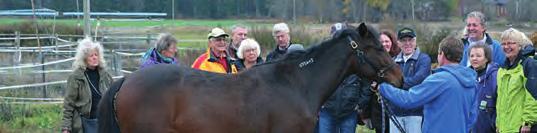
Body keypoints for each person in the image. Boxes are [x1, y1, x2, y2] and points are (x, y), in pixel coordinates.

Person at [378, 36, 477, 133]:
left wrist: (383, 87)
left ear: (441, 54)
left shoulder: (439, 80)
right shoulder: (472, 82)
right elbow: (472, 118)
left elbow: (409, 99)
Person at [316, 23, 372, 133]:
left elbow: (367, 83)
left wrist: (359, 104)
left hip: (349, 113)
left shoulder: (358, 59)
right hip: (327, 111)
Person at [62, 38, 113, 133]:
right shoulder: (76, 77)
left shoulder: (105, 75)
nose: (94, 57)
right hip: (84, 124)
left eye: (96, 55)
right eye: (91, 56)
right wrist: (66, 128)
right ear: (84, 58)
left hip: (104, 122)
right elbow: (68, 104)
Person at [388, 27, 431, 133]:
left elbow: (418, 80)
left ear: (415, 41)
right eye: (403, 40)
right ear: (398, 43)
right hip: (395, 113)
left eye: (410, 40)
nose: (407, 43)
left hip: (415, 113)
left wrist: (396, 84)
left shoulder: (424, 59)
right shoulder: (392, 62)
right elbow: (388, 81)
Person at [496, 28, 537, 133]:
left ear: (520, 45)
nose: (506, 47)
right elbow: (500, 100)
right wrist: (498, 123)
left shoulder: (528, 65)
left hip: (521, 127)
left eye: (510, 43)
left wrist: (528, 122)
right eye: (503, 44)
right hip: (504, 127)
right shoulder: (501, 69)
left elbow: (532, 96)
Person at [468, 43, 499, 133]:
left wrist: (494, 124)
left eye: (478, 56)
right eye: (472, 56)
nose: (474, 58)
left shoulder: (495, 76)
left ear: (487, 58)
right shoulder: (466, 76)